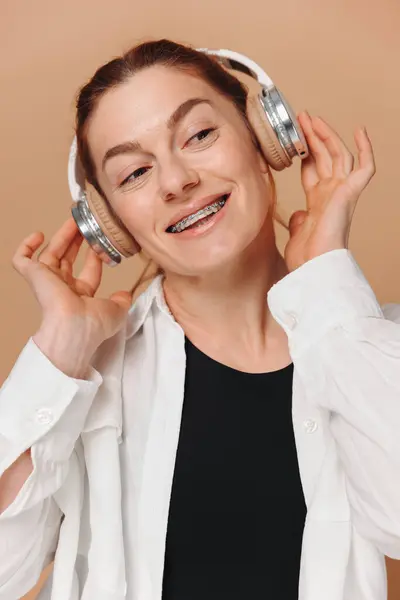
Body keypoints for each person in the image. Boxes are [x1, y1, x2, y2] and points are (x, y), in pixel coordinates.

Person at [0, 38, 400, 600]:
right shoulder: (85, 380)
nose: (175, 181)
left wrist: (327, 283)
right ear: (112, 226)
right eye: (135, 173)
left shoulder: (367, 342)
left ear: (266, 141)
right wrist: (59, 350)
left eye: (200, 135)